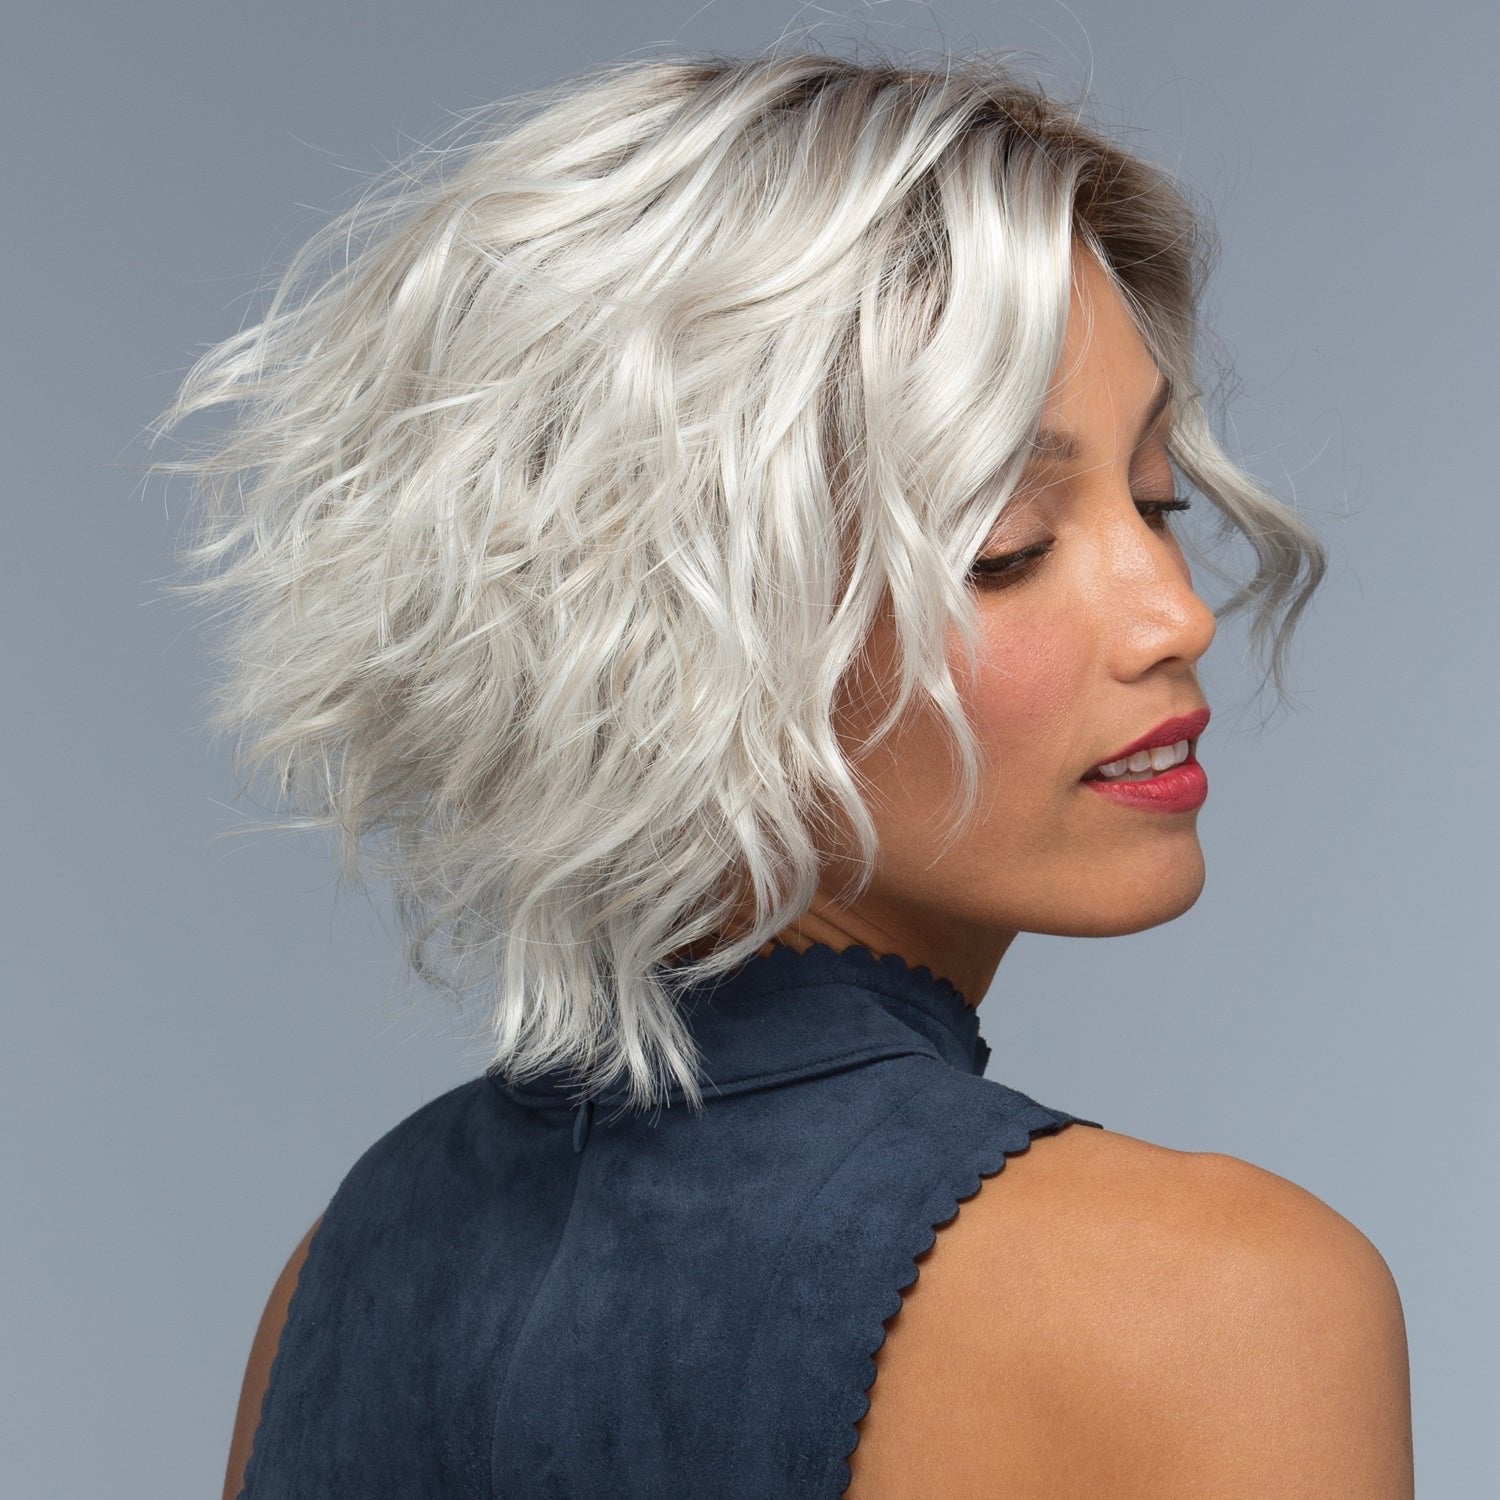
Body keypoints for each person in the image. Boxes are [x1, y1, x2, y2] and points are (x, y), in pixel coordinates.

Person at [157, 48, 1413, 1499]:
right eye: (1006, 546)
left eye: (1156, 499)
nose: (1176, 614)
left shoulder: (342, 1269)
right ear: (676, 626)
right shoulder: (1217, 1303)